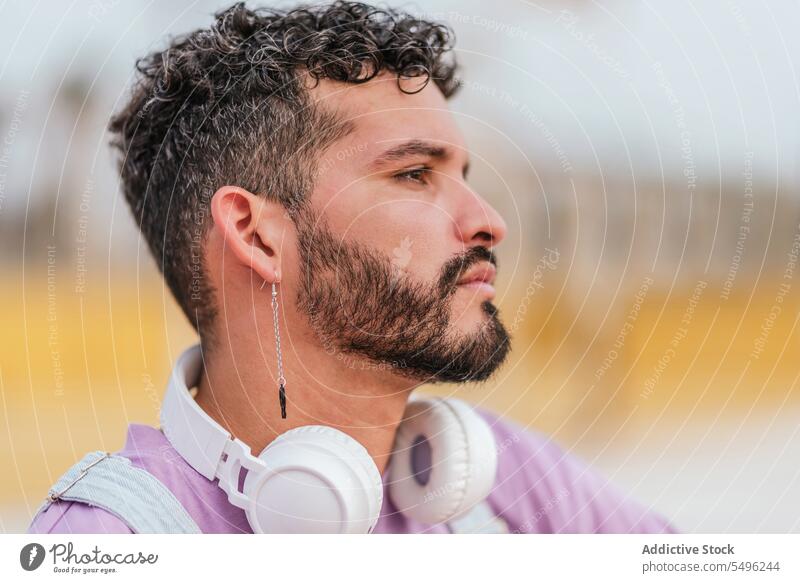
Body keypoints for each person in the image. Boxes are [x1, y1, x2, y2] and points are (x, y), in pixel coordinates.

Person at [28, 1, 675, 534]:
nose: (488, 221)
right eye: (415, 173)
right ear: (256, 234)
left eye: (463, 174)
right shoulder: (108, 542)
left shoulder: (509, 482)